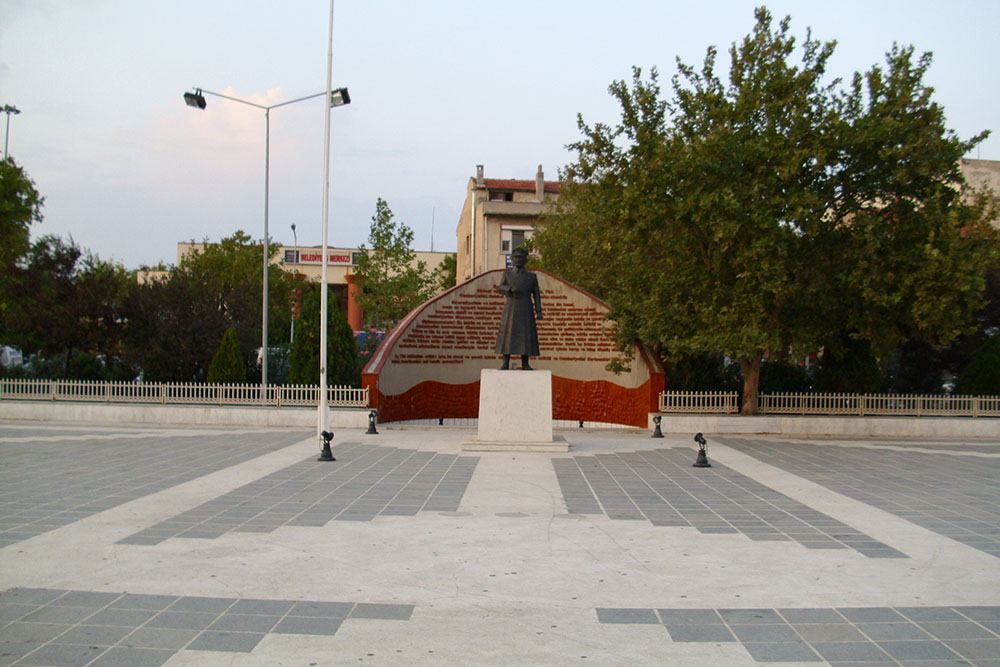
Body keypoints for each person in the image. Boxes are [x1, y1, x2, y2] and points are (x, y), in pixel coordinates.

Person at [495, 246, 542, 370]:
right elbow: (500, 288)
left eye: (521, 257)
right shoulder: (507, 274)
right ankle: (505, 362)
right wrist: (510, 290)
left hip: (526, 308)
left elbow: (536, 294)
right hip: (511, 308)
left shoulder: (532, 277)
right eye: (516, 257)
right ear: (512, 259)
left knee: (525, 336)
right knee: (508, 335)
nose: (518, 260)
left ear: (525, 259)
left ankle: (525, 363)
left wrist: (539, 311)